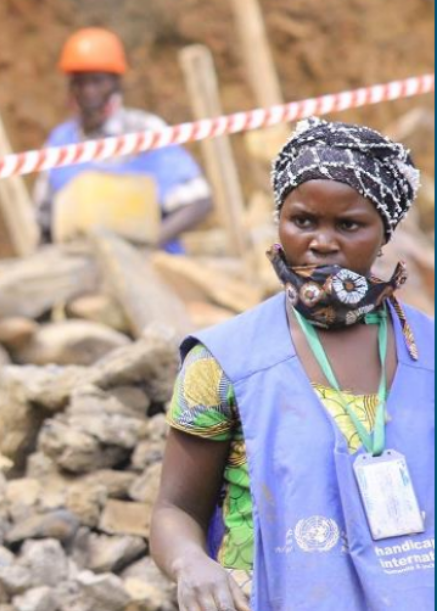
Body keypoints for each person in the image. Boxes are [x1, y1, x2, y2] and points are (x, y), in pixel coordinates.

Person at [150, 118, 433, 611]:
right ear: (280, 221)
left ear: (384, 233)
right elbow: (175, 509)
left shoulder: (426, 352)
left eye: (349, 225)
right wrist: (190, 564)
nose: (322, 242)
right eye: (304, 221)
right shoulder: (224, 362)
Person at [33, 27, 213, 253]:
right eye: (80, 83)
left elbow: (198, 201)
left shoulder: (144, 132)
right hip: (82, 268)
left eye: (97, 82)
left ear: (117, 83)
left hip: (154, 269)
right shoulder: (60, 143)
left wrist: (144, 248)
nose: (88, 92)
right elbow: (44, 226)